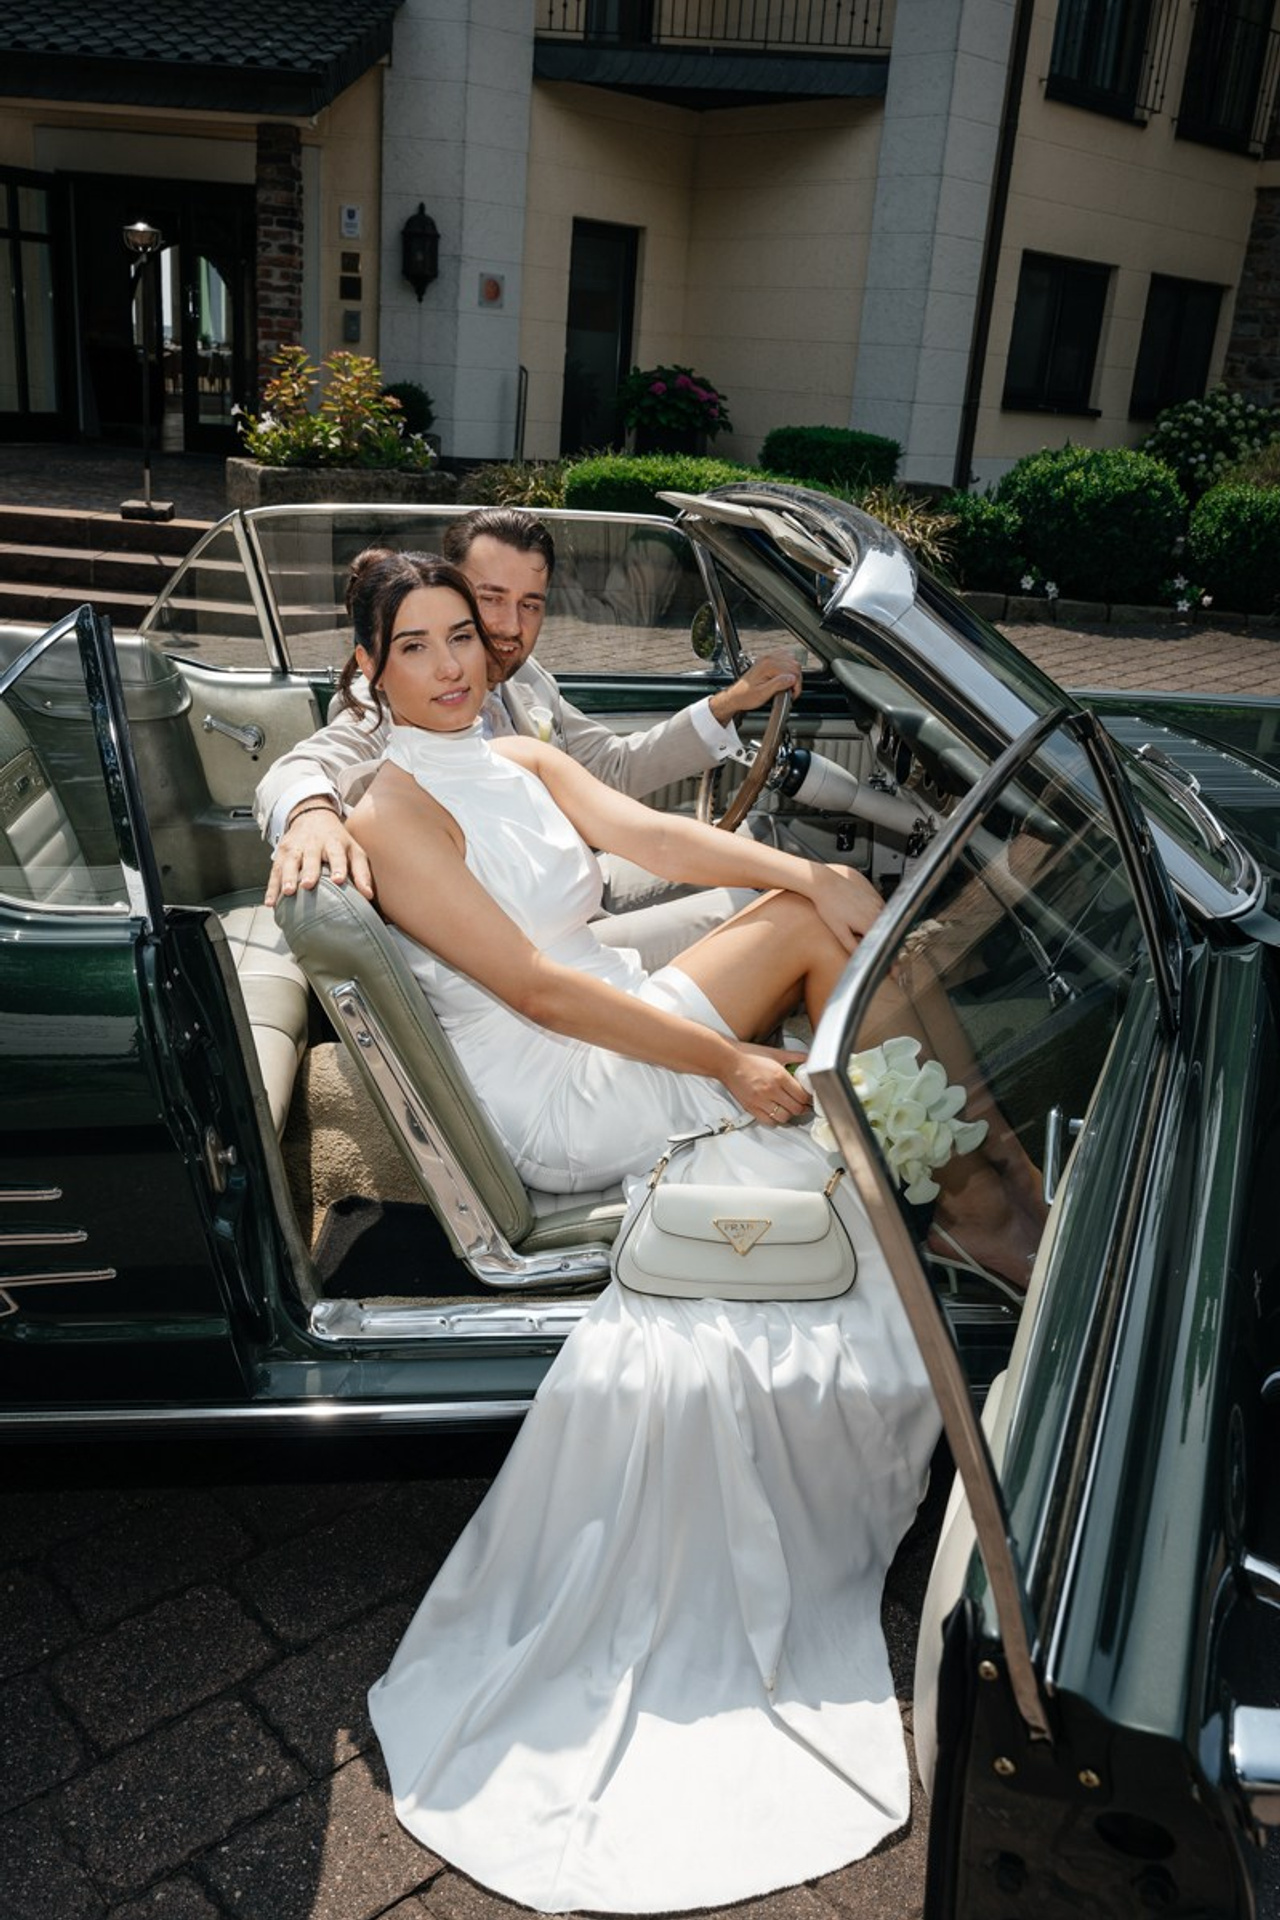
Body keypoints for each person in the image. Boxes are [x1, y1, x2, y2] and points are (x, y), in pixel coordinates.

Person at [338, 549, 1038, 1912]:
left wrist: (808, 863)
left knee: (822, 911)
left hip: (606, 1013)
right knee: (817, 940)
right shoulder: (387, 802)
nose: (451, 664)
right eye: (413, 647)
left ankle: (978, 1187)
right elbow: (538, 988)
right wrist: (724, 1065)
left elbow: (648, 838)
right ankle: (990, 1208)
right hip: (555, 1084)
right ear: (368, 668)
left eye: (459, 638)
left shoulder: (519, 753)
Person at [258, 505, 803, 967]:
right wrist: (309, 814)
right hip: (526, 948)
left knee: (766, 843)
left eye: (530, 604)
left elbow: (612, 768)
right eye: (490, 598)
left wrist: (728, 704)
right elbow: (302, 766)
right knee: (766, 911)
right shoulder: (392, 706)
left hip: (575, 887)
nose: (510, 627)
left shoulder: (529, 680)